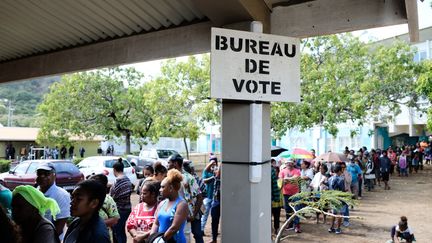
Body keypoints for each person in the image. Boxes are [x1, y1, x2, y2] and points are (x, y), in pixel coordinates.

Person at [167, 154, 204, 243]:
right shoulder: (169, 178)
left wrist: (193, 215)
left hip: (192, 212)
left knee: (197, 234)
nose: (167, 165)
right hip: (179, 214)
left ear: (175, 163)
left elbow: (199, 197)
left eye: (169, 163)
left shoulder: (188, 178)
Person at [150, 169, 188, 243]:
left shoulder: (182, 204)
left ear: (170, 188)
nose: (160, 190)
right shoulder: (162, 203)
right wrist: (152, 238)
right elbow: (156, 223)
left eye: (163, 187)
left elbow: (174, 227)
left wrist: (162, 240)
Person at [36, 163, 71, 239]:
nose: (42, 176)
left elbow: (59, 227)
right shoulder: (34, 193)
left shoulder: (62, 195)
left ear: (54, 176)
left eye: (46, 174)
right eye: (39, 173)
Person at [89, 174, 120, 242]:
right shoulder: (86, 199)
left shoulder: (108, 199)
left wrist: (96, 224)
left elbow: (115, 219)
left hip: (104, 236)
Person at [110, 159, 133, 243]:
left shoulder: (117, 180)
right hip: (127, 209)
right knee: (121, 231)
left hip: (119, 210)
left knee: (116, 232)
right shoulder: (127, 179)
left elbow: (111, 196)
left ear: (114, 170)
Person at [279, 158, 302, 233]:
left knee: (296, 209)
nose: (289, 164)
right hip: (286, 193)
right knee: (287, 209)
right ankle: (290, 224)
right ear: (285, 164)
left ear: (293, 164)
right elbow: (280, 181)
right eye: (287, 163)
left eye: (290, 163)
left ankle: (297, 225)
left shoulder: (297, 171)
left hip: (296, 193)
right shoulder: (282, 171)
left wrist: (286, 179)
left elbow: (296, 179)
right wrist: (286, 180)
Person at [327, 164, 346, 235]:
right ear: (339, 171)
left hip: (332, 198)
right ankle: (338, 229)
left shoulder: (330, 178)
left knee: (333, 213)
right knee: (340, 213)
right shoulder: (341, 179)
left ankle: (331, 227)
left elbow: (328, 186)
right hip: (339, 198)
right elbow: (342, 190)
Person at [201, 156, 217, 232]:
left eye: (214, 163)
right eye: (211, 163)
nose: (213, 164)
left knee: (215, 216)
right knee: (204, 215)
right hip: (208, 196)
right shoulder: (206, 172)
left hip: (216, 198)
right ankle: (201, 230)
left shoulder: (217, 171)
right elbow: (204, 181)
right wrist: (213, 177)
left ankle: (214, 231)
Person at [271, 158, 283, 234]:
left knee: (276, 216)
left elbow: (279, 188)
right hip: (273, 200)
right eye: (274, 171)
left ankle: (276, 229)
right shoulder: (276, 180)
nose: (275, 172)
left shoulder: (280, 180)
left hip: (277, 201)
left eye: (276, 171)